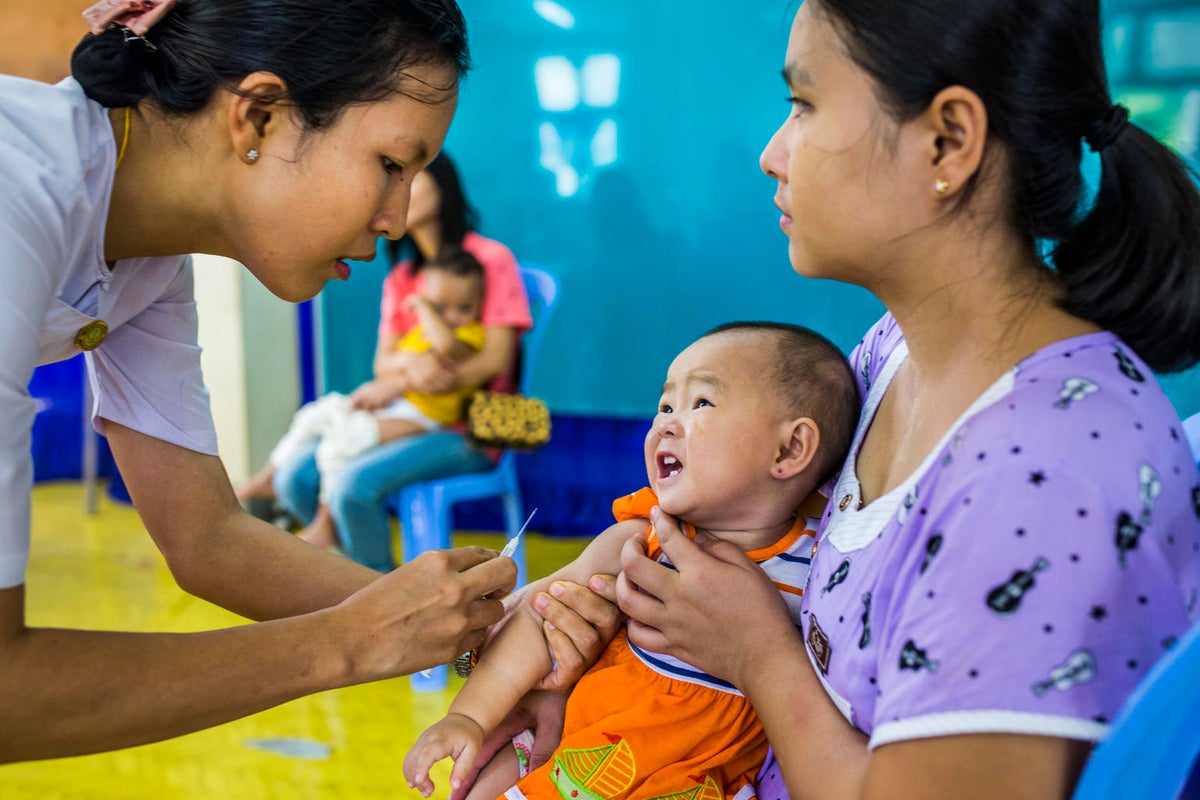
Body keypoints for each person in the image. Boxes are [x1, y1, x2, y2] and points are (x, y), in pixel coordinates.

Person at [459, 1, 1200, 798]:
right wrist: (560, 628)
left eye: (804, 104)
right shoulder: (890, 355)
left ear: (948, 141)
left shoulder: (1047, 475)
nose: (772, 154)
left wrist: (759, 654)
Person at [0, 0, 616, 763]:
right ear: (259, 116)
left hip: (473, 419)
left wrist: (489, 630)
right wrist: (346, 643)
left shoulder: (151, 261)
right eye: (391, 165)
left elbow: (205, 538)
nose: (395, 218)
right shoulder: (15, 193)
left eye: (416, 180)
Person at [403, 321, 860, 799]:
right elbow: (541, 620)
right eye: (664, 406)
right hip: (571, 754)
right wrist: (469, 717)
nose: (665, 422)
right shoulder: (639, 540)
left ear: (789, 449)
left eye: (701, 402)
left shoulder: (824, 566)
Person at [237, 151, 532, 570]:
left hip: (476, 426)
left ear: (443, 184)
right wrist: (410, 376)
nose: (399, 192)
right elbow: (383, 366)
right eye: (391, 181)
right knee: (294, 478)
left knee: (353, 487)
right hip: (407, 413)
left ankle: (381, 600)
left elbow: (493, 361)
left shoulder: (490, 260)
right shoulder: (401, 278)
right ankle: (348, 583)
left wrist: (411, 378)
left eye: (412, 178)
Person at [253, 247, 490, 550]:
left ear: (479, 307)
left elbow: (444, 346)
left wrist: (425, 309)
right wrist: (391, 383)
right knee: (317, 414)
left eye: (463, 308)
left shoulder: (468, 335)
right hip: (395, 406)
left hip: (426, 419)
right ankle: (269, 474)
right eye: (441, 307)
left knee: (346, 442)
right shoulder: (419, 335)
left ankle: (326, 526)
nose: (452, 317)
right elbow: (387, 367)